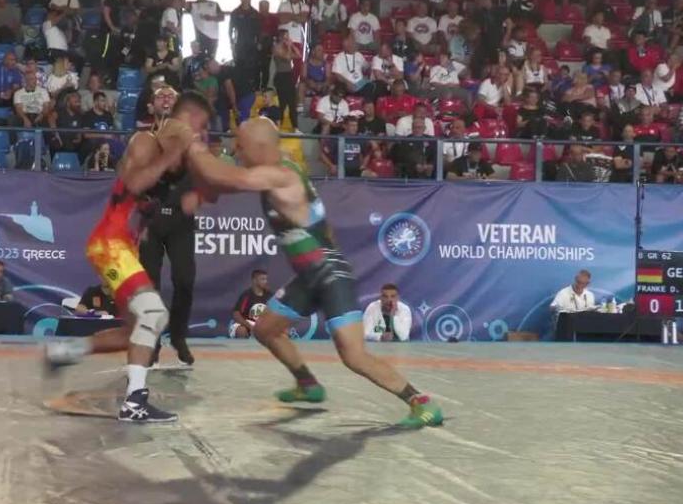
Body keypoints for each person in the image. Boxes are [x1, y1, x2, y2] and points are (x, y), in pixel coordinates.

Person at [182, 118, 444, 429]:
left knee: (354, 356)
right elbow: (224, 183)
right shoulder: (281, 172)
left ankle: (421, 402)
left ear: (259, 146)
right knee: (266, 329)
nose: (236, 151)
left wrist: (191, 143)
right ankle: (307, 384)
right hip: (312, 275)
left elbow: (226, 176)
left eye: (240, 145)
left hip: (329, 274)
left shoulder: (280, 175)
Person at [44, 93, 213, 423]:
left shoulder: (164, 159)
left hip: (120, 244)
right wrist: (174, 153)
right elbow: (134, 181)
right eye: (190, 133)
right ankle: (135, 402)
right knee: (153, 314)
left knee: (134, 332)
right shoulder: (145, 142)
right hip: (111, 243)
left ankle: (66, 351)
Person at [230, 269, 272, 338]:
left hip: (263, 325)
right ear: (254, 280)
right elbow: (236, 314)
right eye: (262, 279)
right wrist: (250, 326)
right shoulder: (246, 295)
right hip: (247, 324)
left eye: (266, 279)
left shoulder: (270, 295)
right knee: (241, 331)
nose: (266, 282)